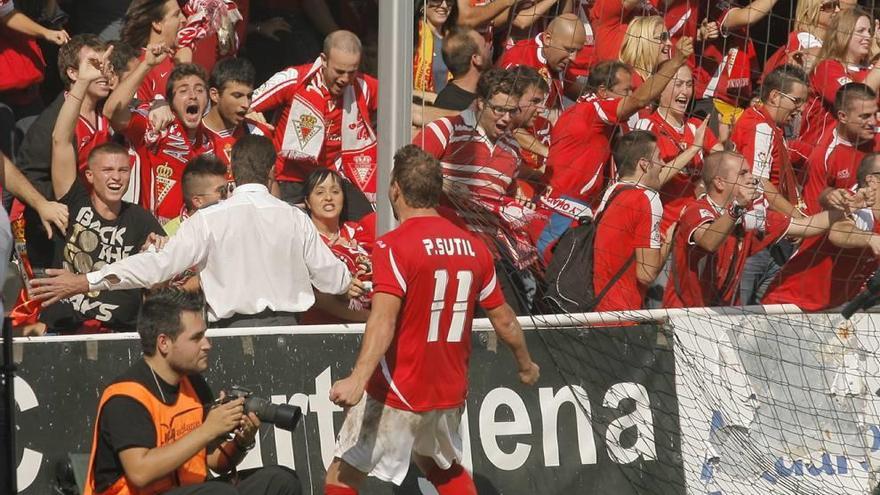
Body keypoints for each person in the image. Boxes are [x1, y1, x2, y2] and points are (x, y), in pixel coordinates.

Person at [322, 144, 539, 495]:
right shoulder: (474, 247)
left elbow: (382, 321)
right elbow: (505, 320)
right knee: (440, 466)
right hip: (448, 389)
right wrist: (526, 364)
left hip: (399, 387)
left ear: (395, 189)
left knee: (342, 475)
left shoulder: (393, 245)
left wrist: (358, 378)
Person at [31, 135, 360, 328]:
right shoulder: (295, 219)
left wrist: (85, 280)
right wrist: (347, 279)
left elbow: (157, 265)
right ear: (273, 171)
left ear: (232, 171)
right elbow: (335, 281)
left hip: (233, 334)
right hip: (287, 330)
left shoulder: (209, 219)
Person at [82, 289, 302, 495]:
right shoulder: (127, 396)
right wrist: (207, 430)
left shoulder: (192, 382)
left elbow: (215, 461)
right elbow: (140, 473)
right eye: (196, 338)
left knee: (280, 481)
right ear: (164, 343)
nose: (207, 344)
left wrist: (241, 442)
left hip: (187, 489)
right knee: (218, 493)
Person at [41, 49, 163, 333]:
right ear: (90, 175)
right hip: (65, 328)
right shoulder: (73, 202)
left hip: (121, 334)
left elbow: (164, 279)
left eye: (122, 171)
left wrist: (155, 255)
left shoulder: (141, 220)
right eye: (107, 171)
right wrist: (82, 82)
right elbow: (60, 140)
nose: (116, 178)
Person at [536, 36, 694, 254]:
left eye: (631, 90)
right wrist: (676, 61)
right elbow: (639, 100)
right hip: (561, 211)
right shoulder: (589, 111)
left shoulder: (609, 124)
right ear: (602, 92)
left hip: (576, 210)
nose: (631, 95)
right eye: (626, 91)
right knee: (547, 280)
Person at [414, 68, 537, 313]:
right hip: (445, 253)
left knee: (510, 321)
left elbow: (502, 199)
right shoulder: (445, 130)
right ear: (480, 103)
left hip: (488, 255)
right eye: (498, 109)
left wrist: (517, 208)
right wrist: (444, 184)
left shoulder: (512, 148)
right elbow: (407, 174)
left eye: (512, 111)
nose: (505, 118)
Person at [664, 151, 837, 308]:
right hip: (684, 314)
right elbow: (709, 242)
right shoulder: (695, 211)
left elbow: (807, 226)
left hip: (722, 313)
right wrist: (737, 207)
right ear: (719, 182)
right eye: (742, 173)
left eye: (749, 171)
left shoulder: (749, 214)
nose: (752, 178)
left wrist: (846, 209)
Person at [249, 30, 378, 213]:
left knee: (369, 222)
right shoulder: (294, 79)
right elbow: (244, 103)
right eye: (339, 71)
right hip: (289, 179)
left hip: (334, 181)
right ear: (323, 60)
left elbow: (401, 108)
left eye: (352, 72)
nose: (345, 79)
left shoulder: (363, 86)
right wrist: (252, 114)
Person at [17, 34, 113, 269]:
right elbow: (28, 175)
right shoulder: (50, 121)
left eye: (106, 66)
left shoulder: (107, 113)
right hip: (55, 233)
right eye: (94, 65)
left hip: (100, 223)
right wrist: (60, 203)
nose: (103, 73)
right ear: (73, 73)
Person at [104, 47, 214, 224]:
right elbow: (112, 111)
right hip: (154, 236)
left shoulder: (209, 142)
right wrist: (146, 65)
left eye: (200, 90)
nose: (193, 96)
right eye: (183, 91)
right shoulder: (157, 127)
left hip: (193, 237)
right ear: (171, 101)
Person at [730, 65, 808, 304]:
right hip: (756, 240)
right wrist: (797, 220)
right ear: (775, 96)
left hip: (767, 238)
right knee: (741, 318)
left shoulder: (764, 123)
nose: (800, 108)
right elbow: (759, 183)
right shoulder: (761, 126)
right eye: (796, 100)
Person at [763, 153, 880, 311]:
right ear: (872, 180)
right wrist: (871, 239)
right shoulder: (854, 202)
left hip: (830, 311)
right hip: (789, 305)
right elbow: (839, 232)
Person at [634, 62, 723, 234]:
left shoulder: (697, 126)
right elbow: (646, 181)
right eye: (678, 84)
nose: (685, 91)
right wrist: (693, 150)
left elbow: (725, 164)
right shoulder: (647, 125)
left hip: (695, 223)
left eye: (689, 84)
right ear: (659, 90)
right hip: (661, 229)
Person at [590, 130, 668, 312]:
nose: (663, 165)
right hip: (624, 315)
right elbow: (646, 274)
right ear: (644, 164)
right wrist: (669, 241)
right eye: (659, 158)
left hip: (596, 310)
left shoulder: (611, 193)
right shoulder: (648, 198)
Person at [692, 0, 778, 143]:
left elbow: (753, 76)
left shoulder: (745, 32)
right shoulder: (715, 6)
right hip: (711, 104)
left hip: (736, 108)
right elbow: (748, 15)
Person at [799, 8, 880, 151]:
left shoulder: (871, 70)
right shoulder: (827, 67)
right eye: (861, 31)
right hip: (820, 154)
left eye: (870, 31)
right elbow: (856, 100)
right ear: (843, 34)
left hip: (861, 155)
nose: (868, 36)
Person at [300, 169, 372, 324]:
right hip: (321, 330)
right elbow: (316, 297)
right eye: (320, 193)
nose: (328, 198)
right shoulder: (303, 238)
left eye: (335, 191)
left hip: (365, 330)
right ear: (307, 202)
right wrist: (371, 318)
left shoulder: (359, 231)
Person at [802, 83, 879, 214]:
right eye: (865, 116)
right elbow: (814, 214)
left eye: (875, 114)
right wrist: (830, 197)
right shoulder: (823, 157)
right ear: (843, 116)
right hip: (847, 224)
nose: (873, 122)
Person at [201, 57, 273, 182]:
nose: (246, 104)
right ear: (214, 95)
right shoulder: (191, 137)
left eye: (249, 96)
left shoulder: (259, 133)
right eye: (237, 96)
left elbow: (271, 186)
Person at [498, 13, 587, 114]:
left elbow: (576, 90)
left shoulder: (556, 60)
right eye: (569, 50)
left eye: (577, 51)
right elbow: (507, 114)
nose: (574, 58)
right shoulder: (520, 62)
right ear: (548, 39)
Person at [121, 0, 187, 102]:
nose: (184, 19)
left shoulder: (173, 60)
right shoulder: (138, 66)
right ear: (157, 23)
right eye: (176, 15)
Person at [760, 0, 838, 79]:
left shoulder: (827, 41)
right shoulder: (802, 40)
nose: (837, 10)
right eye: (830, 6)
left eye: (838, 4)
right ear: (809, 10)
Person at [164, 154, 229, 236]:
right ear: (198, 201)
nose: (229, 196)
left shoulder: (231, 223)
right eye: (222, 191)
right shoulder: (170, 236)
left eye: (229, 188)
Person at [432, 26, 490, 111]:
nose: (489, 46)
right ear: (476, 59)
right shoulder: (448, 104)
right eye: (485, 45)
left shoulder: (487, 90)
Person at [413, 0, 457, 94]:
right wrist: (433, 99)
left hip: (452, 106)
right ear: (423, 4)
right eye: (437, 0)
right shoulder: (412, 38)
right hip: (420, 106)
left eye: (449, 1)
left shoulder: (457, 39)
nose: (444, 5)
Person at [618, 16, 671, 91]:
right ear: (644, 41)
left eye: (668, 37)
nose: (670, 43)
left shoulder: (650, 78)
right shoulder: (630, 79)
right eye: (663, 38)